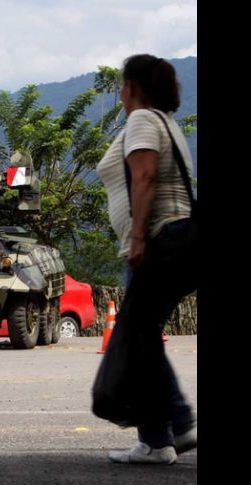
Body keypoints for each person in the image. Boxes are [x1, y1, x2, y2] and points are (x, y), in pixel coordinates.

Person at [95, 54, 196, 465]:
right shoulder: (166, 123)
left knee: (139, 335)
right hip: (171, 239)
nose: (120, 92)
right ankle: (157, 439)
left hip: (159, 239)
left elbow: (145, 176)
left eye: (122, 85)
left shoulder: (141, 120)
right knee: (142, 337)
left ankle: (178, 421)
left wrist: (137, 236)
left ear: (133, 87)